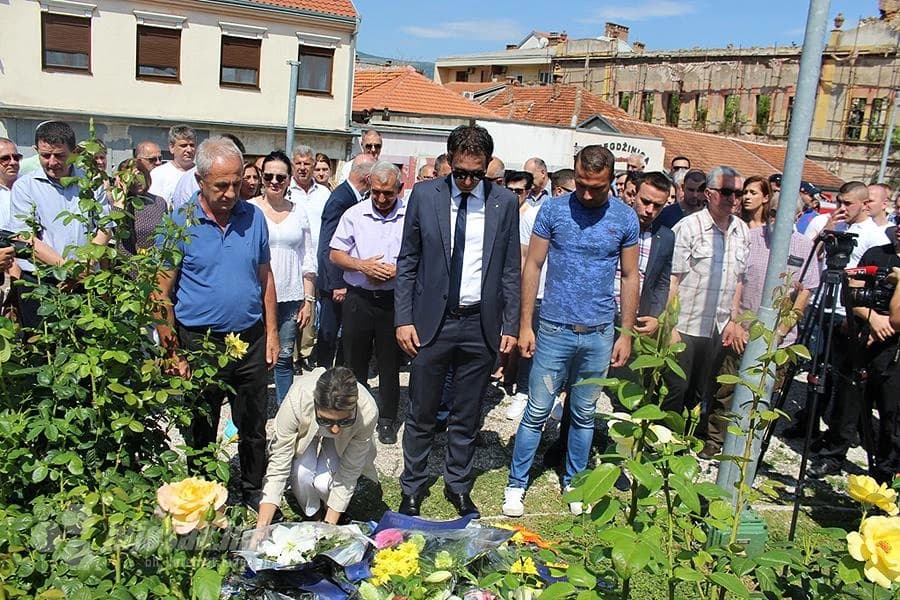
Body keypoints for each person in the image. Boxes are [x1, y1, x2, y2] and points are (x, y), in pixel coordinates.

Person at [503, 144, 639, 518]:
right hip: (553, 327)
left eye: (596, 186)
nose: (587, 193)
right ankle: (516, 484)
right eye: (580, 183)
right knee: (537, 410)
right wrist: (525, 324)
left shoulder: (625, 219)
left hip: (598, 332)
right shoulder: (554, 210)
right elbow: (532, 265)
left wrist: (624, 333)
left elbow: (629, 277)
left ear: (611, 180)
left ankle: (575, 482)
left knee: (583, 413)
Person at [395, 124, 520, 519]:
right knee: (421, 413)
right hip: (432, 324)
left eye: (476, 174)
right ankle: (412, 487)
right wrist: (403, 318)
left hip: (479, 327)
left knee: (467, 415)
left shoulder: (504, 203)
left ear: (488, 167)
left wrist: (511, 326)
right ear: (449, 163)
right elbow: (408, 261)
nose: (467, 181)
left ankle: (458, 486)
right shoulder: (424, 196)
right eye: (461, 172)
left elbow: (510, 270)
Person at [153, 136, 277, 510]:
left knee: (253, 425)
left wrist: (272, 332)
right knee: (200, 426)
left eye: (237, 183)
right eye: (221, 185)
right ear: (200, 182)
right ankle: (204, 497)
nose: (230, 192)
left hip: (249, 340)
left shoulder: (253, 217)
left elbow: (265, 276)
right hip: (198, 342)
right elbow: (160, 291)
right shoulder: (179, 222)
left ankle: (253, 492)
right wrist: (173, 350)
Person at [704, 180, 818, 458]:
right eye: (773, 213)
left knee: (762, 394)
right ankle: (715, 441)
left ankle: (747, 447)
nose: (777, 219)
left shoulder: (806, 248)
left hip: (778, 340)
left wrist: (779, 331)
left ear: (798, 217)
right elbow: (736, 283)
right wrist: (737, 324)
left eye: (785, 214)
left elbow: (804, 294)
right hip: (741, 332)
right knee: (726, 389)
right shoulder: (750, 239)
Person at [662, 166, 750, 427]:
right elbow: (672, 279)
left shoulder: (741, 230)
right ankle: (663, 441)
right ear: (710, 193)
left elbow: (738, 281)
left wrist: (734, 320)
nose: (733, 199)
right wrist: (669, 326)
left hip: (718, 324)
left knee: (701, 390)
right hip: (686, 322)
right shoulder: (688, 227)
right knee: (676, 388)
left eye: (738, 193)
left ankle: (686, 440)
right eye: (726, 192)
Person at [329, 161, 406, 444]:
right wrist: (362, 266)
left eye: (388, 193)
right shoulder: (354, 214)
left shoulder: (409, 216)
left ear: (399, 188)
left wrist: (397, 270)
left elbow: (419, 254)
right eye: (376, 193)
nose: (382, 199)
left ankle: (386, 419)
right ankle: (356, 414)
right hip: (359, 299)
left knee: (389, 363)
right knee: (353, 361)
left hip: (392, 301)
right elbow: (335, 253)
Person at [5, 121, 109, 328]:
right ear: (37, 152)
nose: (52, 162)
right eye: (45, 155)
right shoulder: (25, 187)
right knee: (44, 348)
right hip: (41, 281)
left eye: (59, 155)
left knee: (86, 344)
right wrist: (67, 269)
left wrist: (84, 269)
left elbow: (105, 227)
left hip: (85, 280)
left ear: (74, 152)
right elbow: (25, 237)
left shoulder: (90, 182)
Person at [256, 367, 379, 528]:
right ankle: (313, 514)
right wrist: (261, 527)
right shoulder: (296, 401)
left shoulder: (368, 411)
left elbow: (349, 471)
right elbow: (278, 466)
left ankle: (329, 512)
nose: (335, 429)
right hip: (306, 426)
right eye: (326, 420)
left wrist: (328, 530)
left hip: (345, 439)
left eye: (344, 421)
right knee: (301, 474)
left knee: (324, 482)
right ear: (315, 405)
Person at [249, 151, 316, 406]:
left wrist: (308, 298)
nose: (274, 181)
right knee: (253, 357)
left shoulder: (299, 212)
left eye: (280, 176)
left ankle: (285, 413)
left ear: (289, 180)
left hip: (290, 294)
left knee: (285, 356)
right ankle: (249, 412)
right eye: (269, 176)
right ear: (261, 178)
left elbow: (307, 257)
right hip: (256, 294)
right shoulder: (251, 209)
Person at [315, 154, 376, 369]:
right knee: (329, 333)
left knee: (347, 334)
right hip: (336, 282)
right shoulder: (341, 199)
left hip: (346, 280)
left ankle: (341, 373)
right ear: (368, 177)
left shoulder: (354, 196)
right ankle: (322, 373)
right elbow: (329, 245)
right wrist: (338, 283)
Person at [112, 159, 168, 257]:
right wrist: (121, 196)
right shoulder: (120, 204)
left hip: (155, 263)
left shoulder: (159, 202)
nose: (137, 181)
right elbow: (118, 236)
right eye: (132, 177)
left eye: (139, 175)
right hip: (127, 263)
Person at [148, 125, 196, 204]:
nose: (189, 150)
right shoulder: (158, 174)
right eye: (183, 145)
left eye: (192, 145)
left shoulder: (202, 173)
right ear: (172, 148)